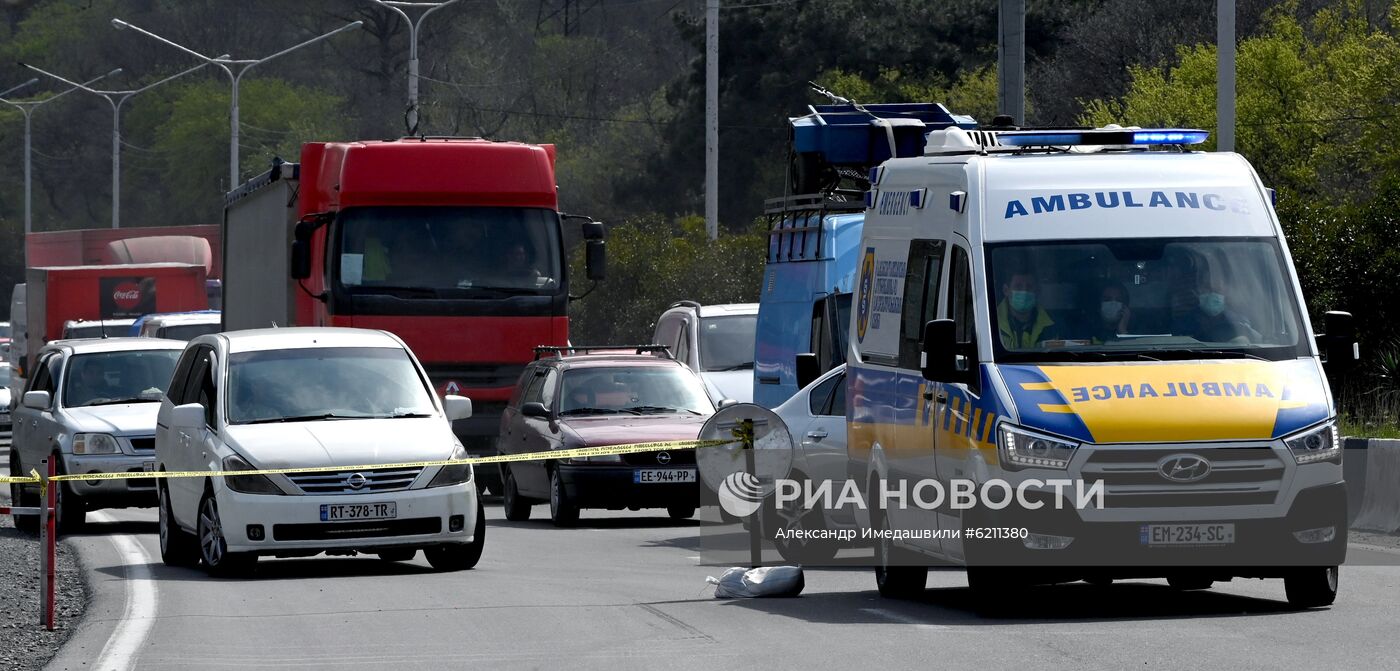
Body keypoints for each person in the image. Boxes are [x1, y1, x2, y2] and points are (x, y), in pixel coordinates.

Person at [1181, 272, 1259, 344]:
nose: (1212, 295)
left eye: (1217, 290)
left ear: (1226, 292)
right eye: (1207, 288)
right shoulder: (1184, 322)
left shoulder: (1238, 323)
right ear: (1198, 290)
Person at [997, 270, 1059, 349]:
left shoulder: (1051, 327)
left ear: (1037, 291)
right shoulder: (991, 323)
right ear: (1006, 290)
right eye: (1018, 286)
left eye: (1029, 287)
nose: (1024, 291)